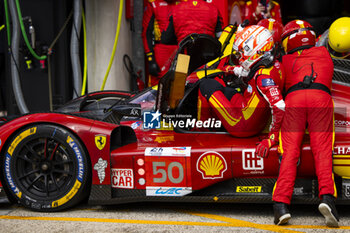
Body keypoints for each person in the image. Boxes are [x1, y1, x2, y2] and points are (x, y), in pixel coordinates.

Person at [272, 20, 339, 227]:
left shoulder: (284, 60)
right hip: (321, 98)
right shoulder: (326, 55)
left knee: (289, 152)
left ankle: (281, 206)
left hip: (294, 101)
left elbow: (276, 84)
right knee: (323, 150)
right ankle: (327, 198)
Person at [197, 25, 285, 156]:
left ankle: (201, 130)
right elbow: (251, 72)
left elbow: (280, 106)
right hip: (254, 117)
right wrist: (231, 70)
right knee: (228, 91)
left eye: (243, 51)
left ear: (255, 49)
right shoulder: (273, 65)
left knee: (206, 85)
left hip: (242, 126)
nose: (240, 56)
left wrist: (272, 138)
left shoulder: (263, 77)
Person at [142, 0, 178, 87]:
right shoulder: (154, 4)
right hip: (161, 51)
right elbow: (146, 32)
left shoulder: (184, 3)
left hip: (180, 48)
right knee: (157, 86)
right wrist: (151, 59)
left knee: (179, 86)